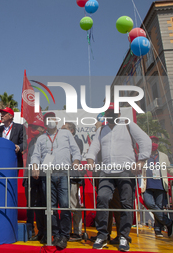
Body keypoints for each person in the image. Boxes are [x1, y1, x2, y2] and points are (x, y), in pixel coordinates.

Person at [86, 103, 151, 251]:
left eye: (114, 112)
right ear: (106, 114)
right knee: (102, 198)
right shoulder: (101, 129)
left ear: (119, 114)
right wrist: (90, 158)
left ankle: (124, 237)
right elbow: (95, 145)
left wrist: (141, 161)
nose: (111, 115)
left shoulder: (128, 125)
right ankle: (102, 235)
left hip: (126, 171)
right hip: (106, 172)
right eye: (109, 112)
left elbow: (145, 140)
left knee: (126, 204)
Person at [31, 112, 81, 249]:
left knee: (65, 205)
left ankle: (64, 235)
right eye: (48, 119)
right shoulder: (41, 138)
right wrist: (35, 166)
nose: (50, 121)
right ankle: (56, 234)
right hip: (47, 176)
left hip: (64, 174)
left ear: (56, 121)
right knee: (51, 207)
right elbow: (35, 155)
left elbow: (75, 151)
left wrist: (76, 161)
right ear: (45, 123)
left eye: (52, 119)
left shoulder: (66, 134)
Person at [141, 136, 173, 238]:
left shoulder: (163, 156)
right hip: (148, 186)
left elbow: (169, 169)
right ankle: (168, 222)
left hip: (160, 185)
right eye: (152, 142)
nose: (154, 144)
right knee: (149, 203)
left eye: (155, 142)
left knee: (159, 207)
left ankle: (158, 230)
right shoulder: (144, 156)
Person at [61, 122, 83, 242]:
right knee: (66, 205)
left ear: (72, 131)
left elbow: (74, 155)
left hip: (73, 177)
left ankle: (77, 232)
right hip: (63, 176)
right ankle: (67, 230)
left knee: (73, 204)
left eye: (64, 130)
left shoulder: (77, 141)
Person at [24, 120, 45, 241]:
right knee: (34, 205)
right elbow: (28, 161)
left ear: (42, 128)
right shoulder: (32, 141)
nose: (33, 129)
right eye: (32, 127)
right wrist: (26, 176)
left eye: (36, 127)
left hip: (43, 177)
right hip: (31, 178)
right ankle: (38, 231)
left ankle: (46, 232)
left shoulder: (47, 140)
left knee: (44, 205)